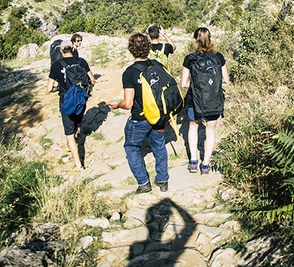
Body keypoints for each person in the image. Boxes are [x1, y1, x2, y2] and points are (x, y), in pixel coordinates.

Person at [109, 32, 169, 194]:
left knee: (131, 147)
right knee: (159, 146)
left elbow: (128, 103)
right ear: (148, 47)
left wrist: (116, 106)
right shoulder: (157, 65)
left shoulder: (130, 72)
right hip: (159, 116)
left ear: (131, 49)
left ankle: (144, 183)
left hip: (140, 118)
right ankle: (163, 181)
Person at [181, 27, 229, 174]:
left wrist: (196, 86)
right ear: (210, 39)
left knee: (193, 127)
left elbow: (183, 84)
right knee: (210, 130)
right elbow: (226, 80)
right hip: (214, 99)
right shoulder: (218, 57)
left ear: (196, 39)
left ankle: (193, 161)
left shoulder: (189, 58)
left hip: (194, 99)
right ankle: (206, 164)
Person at [47, 39, 96, 171]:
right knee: (76, 123)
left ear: (61, 51)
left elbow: (49, 88)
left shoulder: (57, 66)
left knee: (69, 133)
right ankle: (73, 140)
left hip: (66, 101)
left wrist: (58, 88)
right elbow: (92, 80)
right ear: (73, 50)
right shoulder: (82, 62)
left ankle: (78, 164)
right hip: (81, 100)